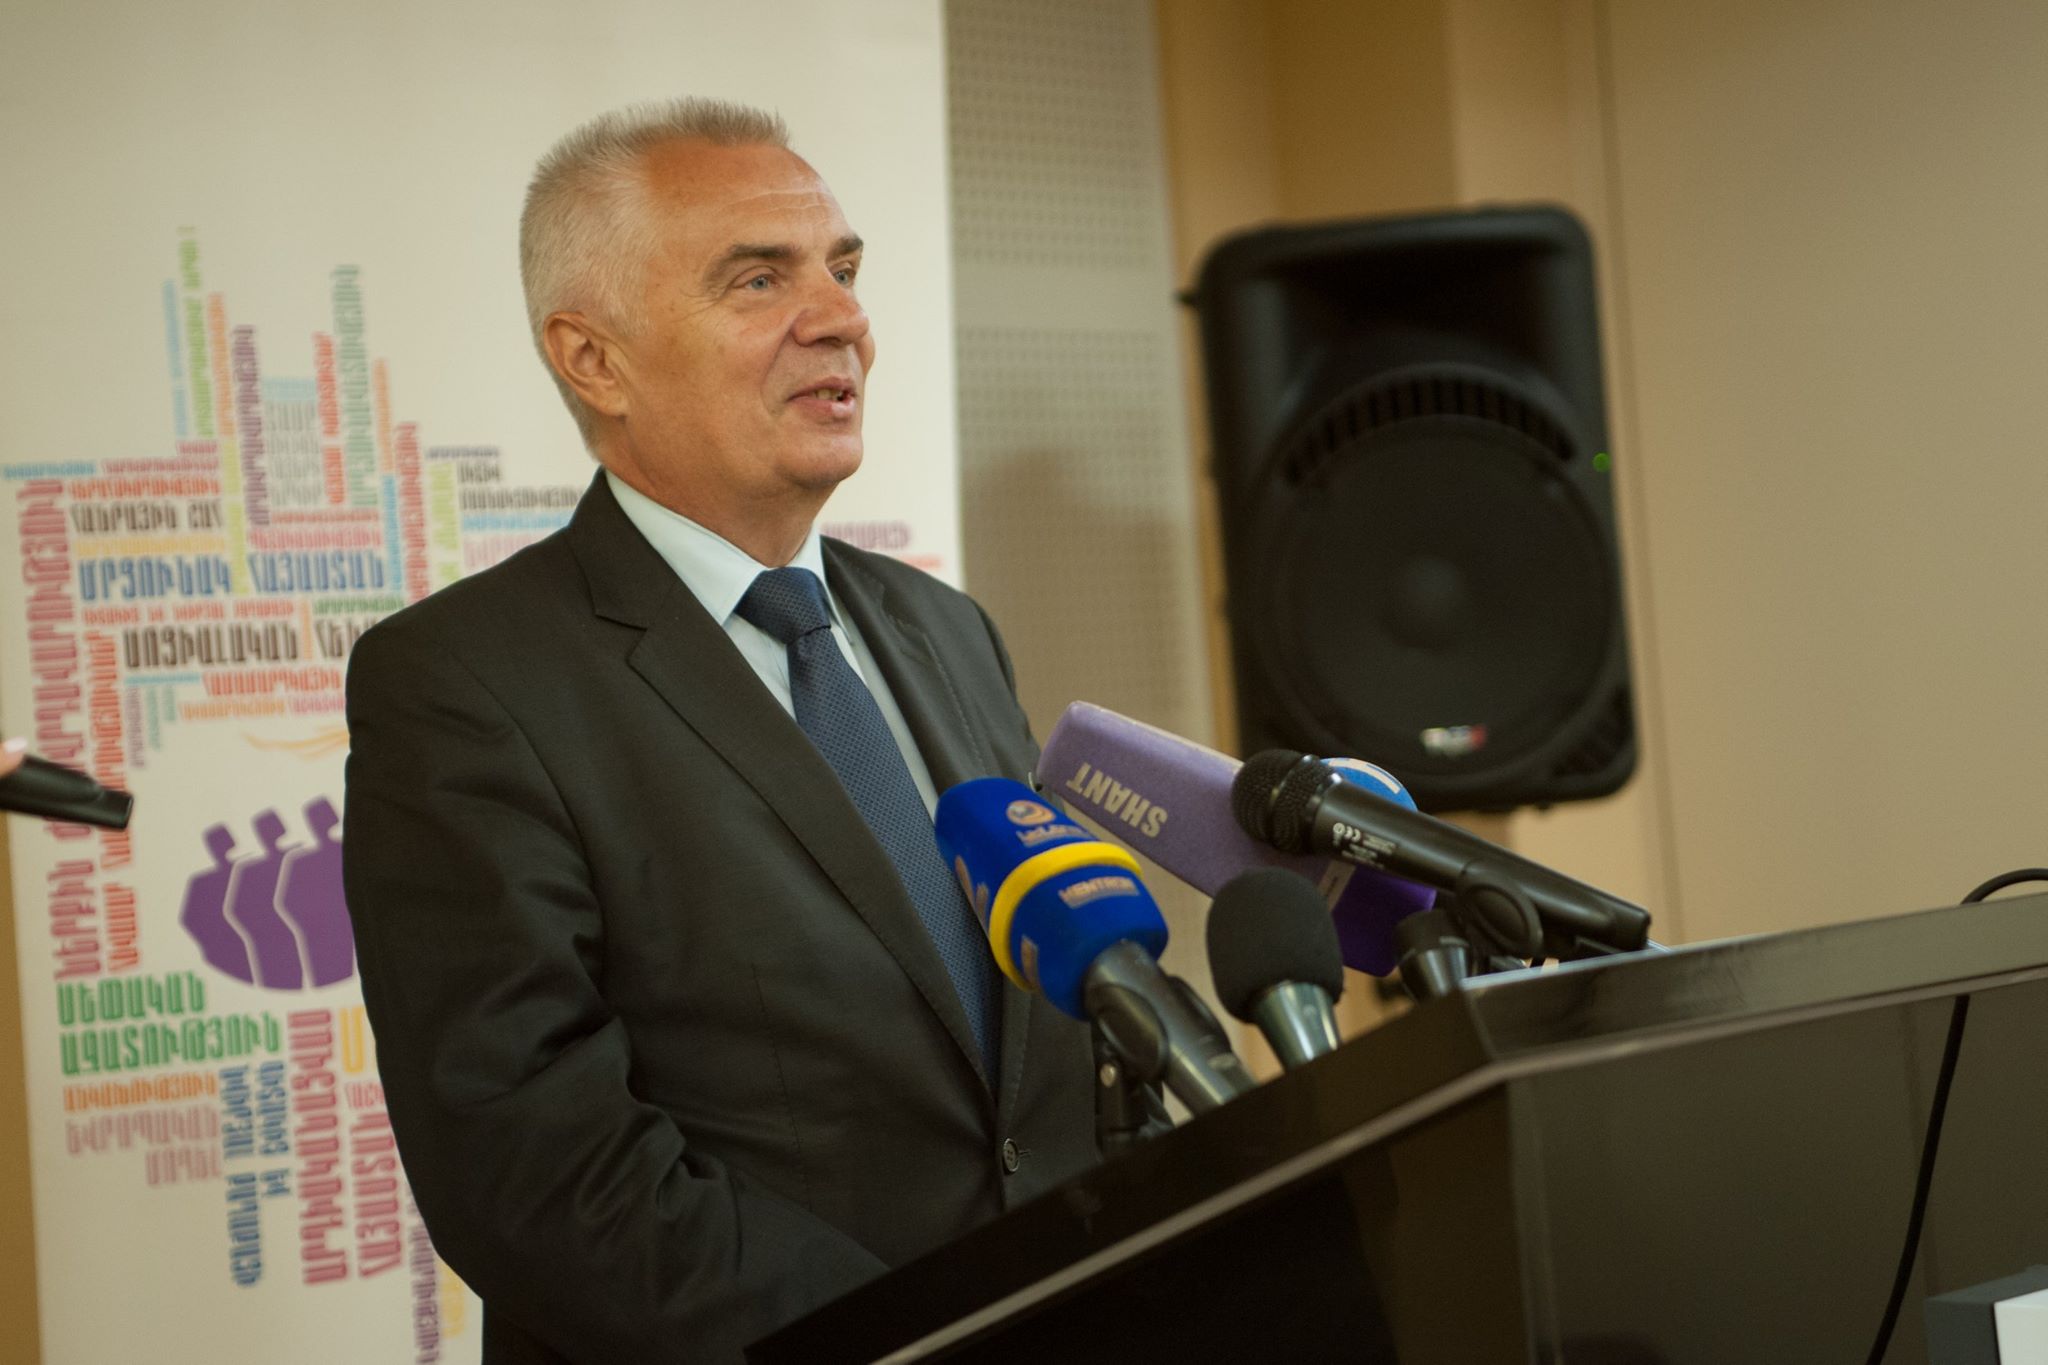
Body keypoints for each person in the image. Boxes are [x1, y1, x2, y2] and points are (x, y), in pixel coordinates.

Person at [341, 100, 1097, 1364]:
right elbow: (538, 1172)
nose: (840, 317)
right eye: (759, 278)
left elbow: (1052, 1056)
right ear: (594, 359)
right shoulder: (465, 684)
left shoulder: (945, 629)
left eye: (843, 269)